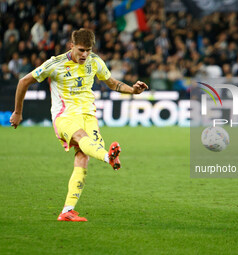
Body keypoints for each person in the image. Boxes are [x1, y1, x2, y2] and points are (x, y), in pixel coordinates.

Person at [9, 28, 148, 222]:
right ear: (72, 46)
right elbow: (24, 82)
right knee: (83, 138)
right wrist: (17, 112)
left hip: (88, 115)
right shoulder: (55, 63)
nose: (85, 54)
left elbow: (112, 83)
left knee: (84, 156)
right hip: (64, 116)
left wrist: (133, 90)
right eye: (81, 50)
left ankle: (67, 210)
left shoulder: (95, 61)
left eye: (88, 50)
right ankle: (109, 157)